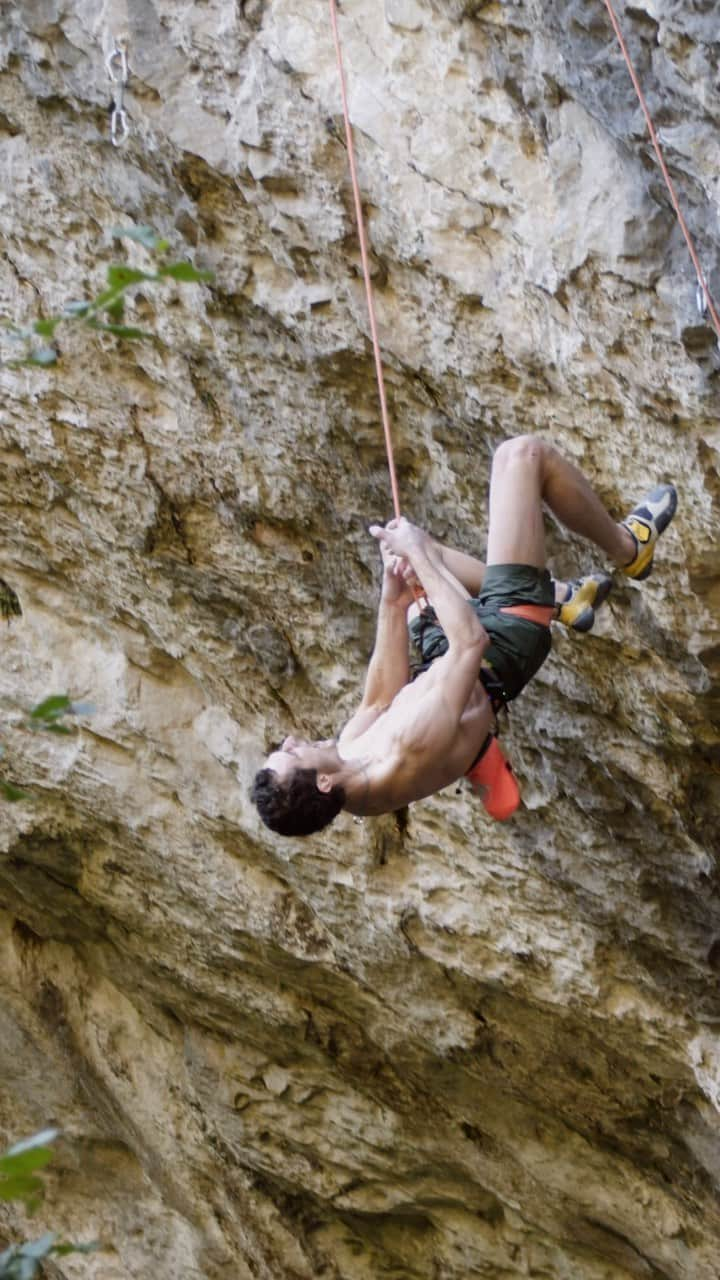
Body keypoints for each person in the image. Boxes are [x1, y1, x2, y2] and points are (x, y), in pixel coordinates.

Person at [252, 436, 677, 836]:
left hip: (447, 668)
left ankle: (562, 599)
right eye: (290, 754)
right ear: (323, 782)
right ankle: (629, 549)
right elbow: (472, 642)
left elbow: (380, 700)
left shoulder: (346, 764)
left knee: (414, 559)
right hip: (500, 642)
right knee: (521, 456)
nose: (291, 741)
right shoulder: (405, 747)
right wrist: (415, 549)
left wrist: (393, 598)